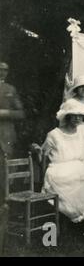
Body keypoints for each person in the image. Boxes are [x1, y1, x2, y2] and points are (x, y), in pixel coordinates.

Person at [41, 100, 84, 238]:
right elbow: (42, 156)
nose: (78, 118)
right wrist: (36, 150)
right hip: (58, 172)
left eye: (80, 116)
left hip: (77, 167)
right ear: (67, 116)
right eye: (74, 115)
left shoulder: (81, 133)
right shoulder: (54, 134)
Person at [0, 62, 25, 205]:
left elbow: (21, 113)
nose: (2, 72)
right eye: (0, 69)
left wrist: (4, 113)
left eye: (5, 70)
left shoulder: (10, 89)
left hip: (4, 138)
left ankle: (4, 208)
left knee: (3, 174)